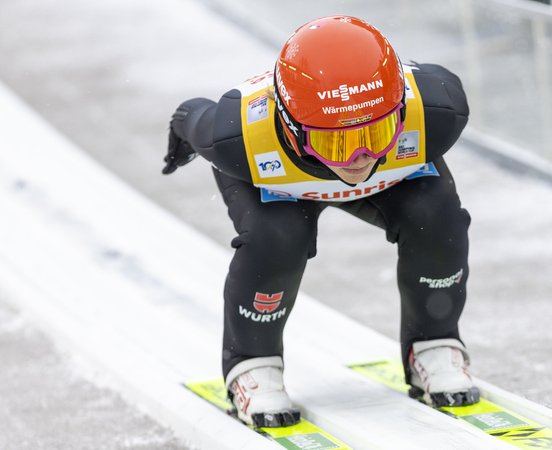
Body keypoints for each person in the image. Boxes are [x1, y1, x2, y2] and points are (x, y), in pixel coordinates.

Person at [162, 15, 478, 428]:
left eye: (378, 131)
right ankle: (252, 365)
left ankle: (434, 342)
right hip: (281, 183)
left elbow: (435, 80)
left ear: (401, 112)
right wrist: (181, 133)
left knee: (437, 216)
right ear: (292, 128)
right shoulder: (235, 136)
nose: (359, 158)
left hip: (394, 176)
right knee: (275, 239)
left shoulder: (437, 111)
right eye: (337, 141)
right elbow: (192, 115)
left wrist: (349, 141)